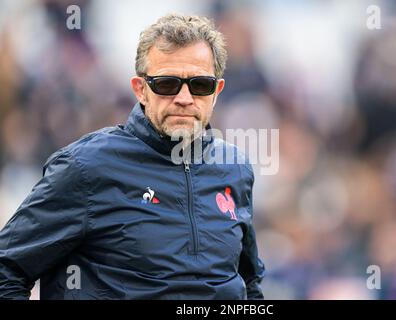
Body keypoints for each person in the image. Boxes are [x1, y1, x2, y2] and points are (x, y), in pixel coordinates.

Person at [0, 13, 265, 299]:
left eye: (200, 85)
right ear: (140, 89)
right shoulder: (85, 167)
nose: (184, 98)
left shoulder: (235, 168)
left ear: (216, 91)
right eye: (167, 84)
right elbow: (7, 270)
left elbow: (249, 283)